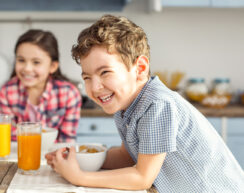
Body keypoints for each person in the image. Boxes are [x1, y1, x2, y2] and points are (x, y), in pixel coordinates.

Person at [45, 15, 244, 192]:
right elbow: (127, 156)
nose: (95, 87)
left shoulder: (157, 104)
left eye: (105, 72)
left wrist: (78, 177)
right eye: (87, 77)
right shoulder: (125, 104)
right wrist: (77, 158)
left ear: (139, 68)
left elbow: (142, 178)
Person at [0, 29, 82, 142]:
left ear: (53, 66)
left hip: (54, 156)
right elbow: (11, 139)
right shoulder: (6, 92)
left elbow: (67, 140)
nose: (27, 68)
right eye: (21, 60)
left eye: (36, 62)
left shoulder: (69, 94)